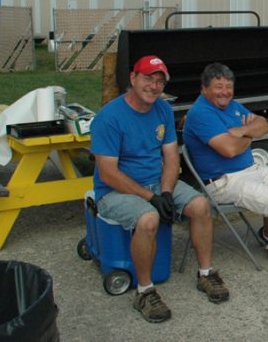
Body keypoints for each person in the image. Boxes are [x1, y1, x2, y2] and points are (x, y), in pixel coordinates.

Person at [91, 55, 229, 324]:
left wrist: (165, 192)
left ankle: (205, 273)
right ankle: (144, 292)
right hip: (114, 191)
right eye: (147, 79)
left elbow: (171, 157)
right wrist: (151, 198)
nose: (153, 87)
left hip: (157, 184)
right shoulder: (109, 117)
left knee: (201, 205)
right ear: (132, 78)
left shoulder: (163, 109)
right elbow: (108, 173)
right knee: (149, 218)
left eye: (159, 81)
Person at [182, 62, 268, 265]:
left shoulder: (231, 105)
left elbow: (263, 125)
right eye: (218, 86)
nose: (225, 92)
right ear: (204, 88)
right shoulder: (201, 113)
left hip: (250, 169)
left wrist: (241, 132)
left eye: (228, 87)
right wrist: (250, 135)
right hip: (223, 182)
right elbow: (229, 150)